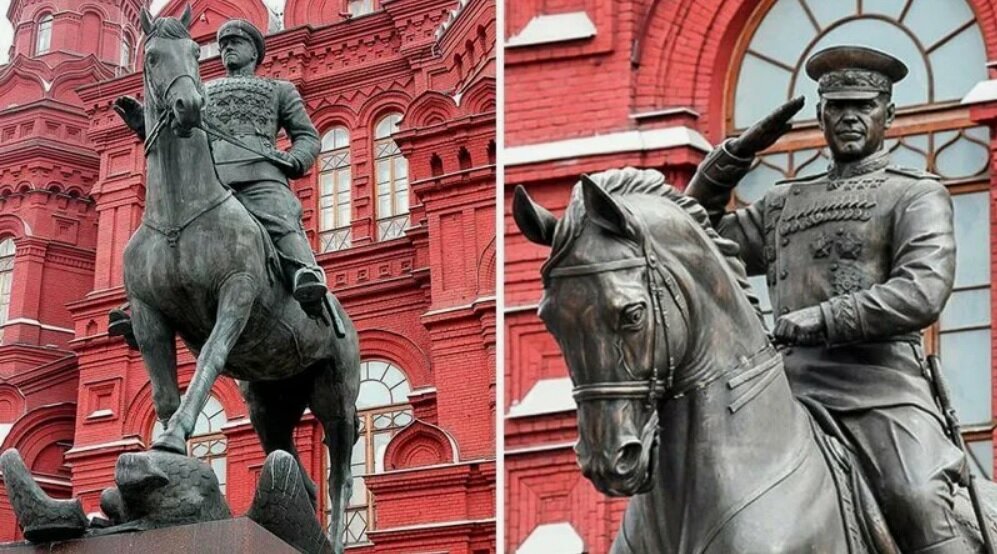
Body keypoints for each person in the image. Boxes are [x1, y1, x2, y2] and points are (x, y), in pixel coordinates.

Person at [686, 45, 974, 553]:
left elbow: (921, 291)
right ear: (821, 115)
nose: (849, 118)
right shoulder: (785, 202)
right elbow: (698, 238)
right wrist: (732, 158)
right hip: (788, 389)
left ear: (889, 113)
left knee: (918, 498)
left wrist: (822, 318)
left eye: (862, 106)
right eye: (838, 108)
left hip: (881, 386)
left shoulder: (913, 194)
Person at [113, 19, 342, 330]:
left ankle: (305, 274)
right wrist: (144, 125)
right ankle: (145, 300)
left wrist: (294, 160)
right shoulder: (201, 92)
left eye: (236, 42)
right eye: (223, 44)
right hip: (212, 182)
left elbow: (308, 136)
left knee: (281, 216)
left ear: (254, 52)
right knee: (169, 230)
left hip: (261, 178)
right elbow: (179, 130)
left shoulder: (279, 90)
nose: (228, 48)